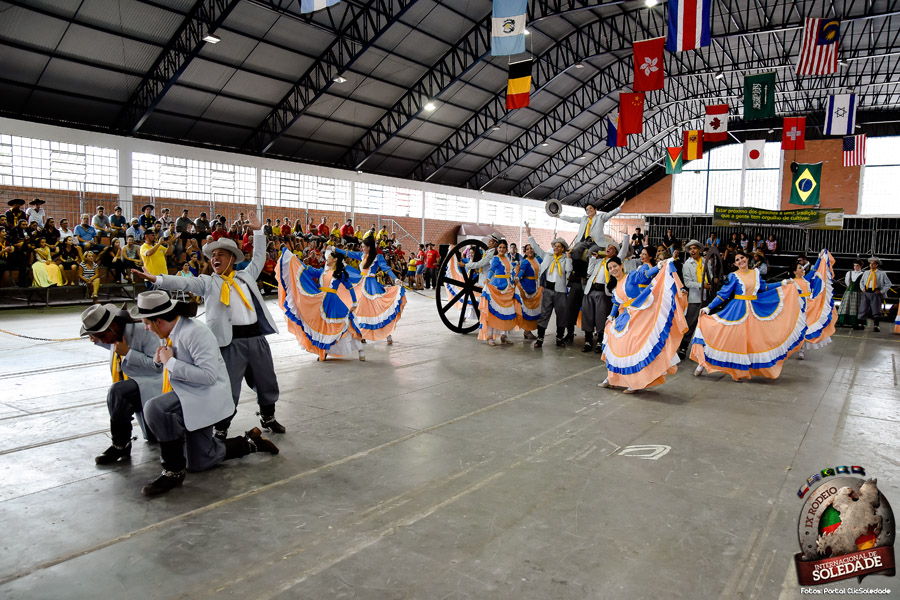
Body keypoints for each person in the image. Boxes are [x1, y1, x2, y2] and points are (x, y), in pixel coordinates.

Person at [133, 213, 284, 439]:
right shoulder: (208, 282)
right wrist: (157, 279)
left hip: (256, 338)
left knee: (266, 380)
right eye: (213, 255)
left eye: (220, 254)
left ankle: (268, 416)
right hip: (229, 343)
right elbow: (184, 282)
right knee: (228, 387)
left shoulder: (245, 276)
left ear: (232, 258)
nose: (215, 258)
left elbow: (260, 257)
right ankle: (221, 426)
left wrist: (258, 231)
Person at [128, 291, 279, 496]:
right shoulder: (171, 332)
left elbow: (208, 376)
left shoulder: (195, 333)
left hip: (206, 397)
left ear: (159, 321)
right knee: (199, 461)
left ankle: (173, 471)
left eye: (147, 323)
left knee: (156, 408)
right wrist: (160, 360)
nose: (146, 328)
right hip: (190, 394)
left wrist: (170, 362)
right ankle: (249, 443)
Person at [691, 250, 804, 381]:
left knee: (752, 342)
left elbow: (763, 287)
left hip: (754, 311)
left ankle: (740, 371)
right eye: (737, 260)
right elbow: (723, 295)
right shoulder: (733, 276)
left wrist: (782, 283)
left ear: (747, 258)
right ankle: (702, 363)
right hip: (737, 311)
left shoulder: (755, 273)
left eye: (742, 258)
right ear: (735, 263)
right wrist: (708, 307)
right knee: (726, 338)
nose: (740, 261)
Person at [81, 304, 162, 464]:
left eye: (103, 336)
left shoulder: (145, 330)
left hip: (157, 382)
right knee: (117, 394)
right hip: (140, 381)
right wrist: (99, 341)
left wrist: (128, 353)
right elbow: (115, 344)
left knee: (118, 391)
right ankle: (121, 443)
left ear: (113, 326)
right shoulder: (117, 332)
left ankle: (120, 444)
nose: (104, 341)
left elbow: (159, 366)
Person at [600, 255, 688, 393]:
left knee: (636, 348)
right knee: (616, 345)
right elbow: (616, 303)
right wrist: (611, 316)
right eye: (610, 268)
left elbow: (644, 275)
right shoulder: (615, 287)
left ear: (621, 265)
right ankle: (612, 378)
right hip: (625, 318)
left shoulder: (631, 277)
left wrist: (658, 266)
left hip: (639, 316)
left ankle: (635, 382)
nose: (613, 269)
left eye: (615, 266)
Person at [276, 247, 365, 361]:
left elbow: (350, 287)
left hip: (333, 302)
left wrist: (354, 303)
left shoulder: (340, 273)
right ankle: (323, 352)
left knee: (346, 325)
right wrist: (293, 259)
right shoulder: (322, 272)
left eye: (329, 257)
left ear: (335, 260)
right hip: (321, 302)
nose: (327, 259)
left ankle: (360, 349)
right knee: (323, 327)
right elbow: (307, 269)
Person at [333, 234, 406, 344]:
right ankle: (363, 334)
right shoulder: (362, 255)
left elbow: (386, 269)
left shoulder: (378, 257)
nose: (362, 248)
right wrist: (336, 249)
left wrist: (395, 279)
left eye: (364, 246)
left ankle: (387, 334)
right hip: (361, 283)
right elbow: (349, 253)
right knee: (361, 309)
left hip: (372, 285)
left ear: (369, 247)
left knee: (378, 309)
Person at [525, 223, 572, 348]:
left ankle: (559, 338)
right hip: (548, 290)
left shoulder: (565, 259)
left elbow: (569, 270)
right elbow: (536, 247)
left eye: (559, 246)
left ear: (563, 249)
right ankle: (540, 339)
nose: (556, 248)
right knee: (544, 314)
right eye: (555, 246)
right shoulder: (547, 256)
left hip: (560, 291)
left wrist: (568, 258)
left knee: (561, 315)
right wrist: (529, 234)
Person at [581, 237, 629, 353]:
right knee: (588, 316)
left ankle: (600, 341)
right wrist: (593, 258)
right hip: (590, 290)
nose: (609, 249)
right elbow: (589, 272)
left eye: (612, 248)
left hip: (603, 292)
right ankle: (588, 340)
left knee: (601, 317)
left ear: (615, 252)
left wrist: (626, 236)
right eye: (608, 247)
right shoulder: (599, 261)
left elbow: (623, 250)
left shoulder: (614, 263)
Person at [789, 251, 837, 360]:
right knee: (796, 328)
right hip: (798, 307)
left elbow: (814, 270)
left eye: (802, 267)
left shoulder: (805, 279)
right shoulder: (791, 282)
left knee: (806, 327)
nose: (802, 269)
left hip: (809, 306)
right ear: (795, 271)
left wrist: (819, 258)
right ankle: (792, 348)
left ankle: (801, 350)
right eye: (800, 268)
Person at [475, 239, 521, 346]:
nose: (502, 249)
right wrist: (488, 278)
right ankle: (490, 337)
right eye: (500, 247)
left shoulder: (507, 258)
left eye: (504, 248)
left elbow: (510, 271)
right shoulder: (496, 258)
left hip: (508, 287)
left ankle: (504, 336)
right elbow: (491, 269)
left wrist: (515, 278)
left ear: (506, 249)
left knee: (507, 311)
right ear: (497, 248)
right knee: (494, 313)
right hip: (497, 286)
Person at [679, 240, 707, 358]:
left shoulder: (705, 261)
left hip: (707, 297)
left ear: (699, 249)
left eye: (695, 248)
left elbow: (710, 275)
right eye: (690, 249)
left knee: (706, 325)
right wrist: (702, 285)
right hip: (695, 298)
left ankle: (704, 349)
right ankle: (683, 347)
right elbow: (688, 283)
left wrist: (712, 282)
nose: (692, 251)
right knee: (690, 323)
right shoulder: (687, 264)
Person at [856, 257, 892, 333]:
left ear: (877, 265)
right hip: (867, 291)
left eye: (873, 264)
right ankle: (861, 324)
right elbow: (861, 282)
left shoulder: (881, 273)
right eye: (870, 263)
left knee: (876, 309)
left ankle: (876, 325)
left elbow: (888, 284)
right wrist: (862, 288)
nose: (871, 265)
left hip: (875, 292)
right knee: (863, 308)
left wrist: (881, 291)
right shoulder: (866, 273)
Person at [515, 242, 542, 339]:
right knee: (528, 310)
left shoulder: (537, 260)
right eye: (527, 249)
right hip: (527, 287)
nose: (530, 250)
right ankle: (527, 331)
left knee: (535, 310)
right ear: (525, 252)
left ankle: (529, 330)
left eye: (531, 248)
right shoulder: (525, 262)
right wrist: (517, 278)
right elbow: (521, 271)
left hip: (536, 286)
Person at [837, 260, 865, 328]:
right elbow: (847, 282)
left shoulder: (863, 274)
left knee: (855, 307)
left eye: (857, 266)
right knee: (845, 306)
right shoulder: (849, 273)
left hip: (858, 292)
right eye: (854, 266)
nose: (855, 267)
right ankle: (842, 321)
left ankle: (855, 322)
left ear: (861, 266)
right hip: (849, 292)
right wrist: (850, 287)